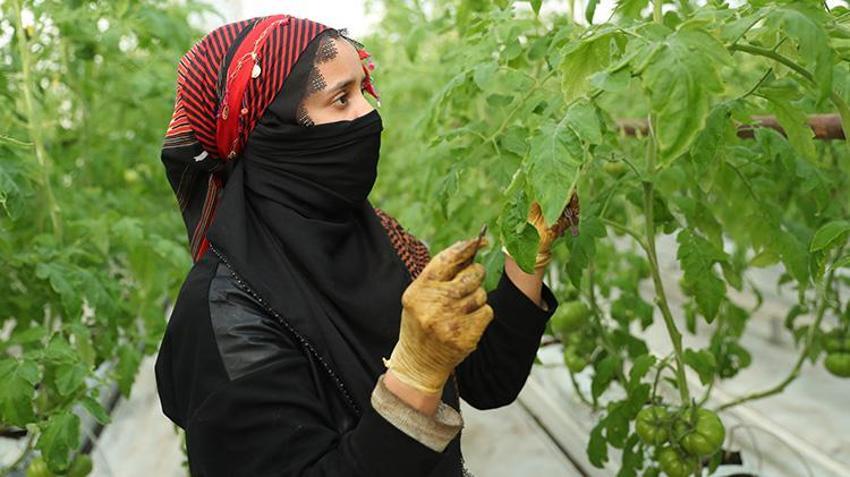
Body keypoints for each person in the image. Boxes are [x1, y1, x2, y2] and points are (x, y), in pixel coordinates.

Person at [153, 13, 579, 477]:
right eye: (340, 99)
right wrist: (413, 377)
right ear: (271, 130)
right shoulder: (225, 316)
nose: (367, 113)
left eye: (363, 89)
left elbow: (485, 377)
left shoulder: (375, 236)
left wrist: (529, 251)